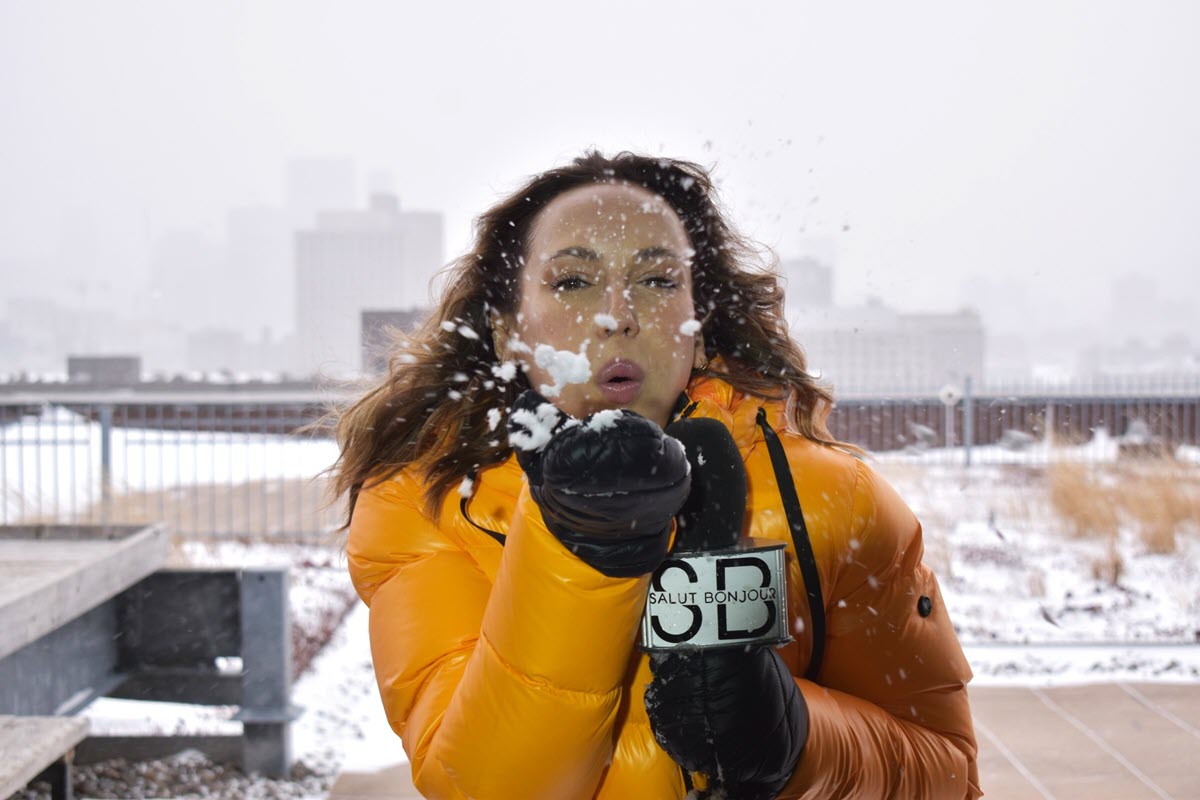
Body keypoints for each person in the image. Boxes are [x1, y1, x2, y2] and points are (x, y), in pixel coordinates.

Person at [330, 151, 982, 799]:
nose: (620, 314)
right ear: (508, 333)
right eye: (574, 281)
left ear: (699, 330)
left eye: (658, 280)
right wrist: (581, 549)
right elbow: (486, 788)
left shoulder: (838, 502)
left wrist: (797, 743)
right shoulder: (427, 503)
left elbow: (948, 773)